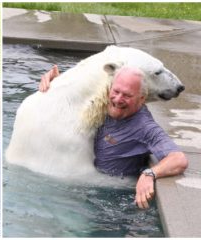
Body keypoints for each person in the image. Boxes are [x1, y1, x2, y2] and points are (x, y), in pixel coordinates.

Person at [39, 65, 188, 209]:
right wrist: (55, 84)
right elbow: (74, 102)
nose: (117, 99)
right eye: (116, 91)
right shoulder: (102, 103)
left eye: (127, 95)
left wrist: (149, 174)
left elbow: (179, 159)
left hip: (110, 199)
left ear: (142, 99)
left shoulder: (144, 127)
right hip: (80, 183)